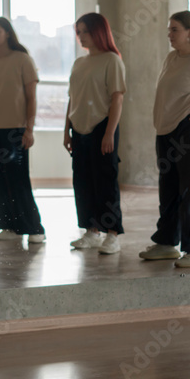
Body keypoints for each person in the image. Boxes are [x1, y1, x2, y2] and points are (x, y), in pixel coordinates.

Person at [139, 11, 190, 269]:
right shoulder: (171, 58)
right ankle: (167, 243)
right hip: (167, 131)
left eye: (174, 29)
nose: (169, 34)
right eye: (169, 29)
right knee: (169, 189)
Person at [0, 17, 46, 244]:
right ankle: (8, 227)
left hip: (16, 130)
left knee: (18, 180)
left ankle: (34, 228)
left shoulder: (23, 59)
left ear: (7, 33)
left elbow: (31, 98)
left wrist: (29, 130)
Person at [64, 13, 126, 255]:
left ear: (98, 32)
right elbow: (72, 99)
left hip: (102, 127)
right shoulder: (79, 63)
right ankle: (91, 231)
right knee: (82, 182)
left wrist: (109, 133)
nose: (81, 36)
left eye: (85, 31)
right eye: (78, 32)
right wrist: (66, 131)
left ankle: (112, 234)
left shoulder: (112, 60)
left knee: (105, 182)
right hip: (78, 129)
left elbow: (117, 99)